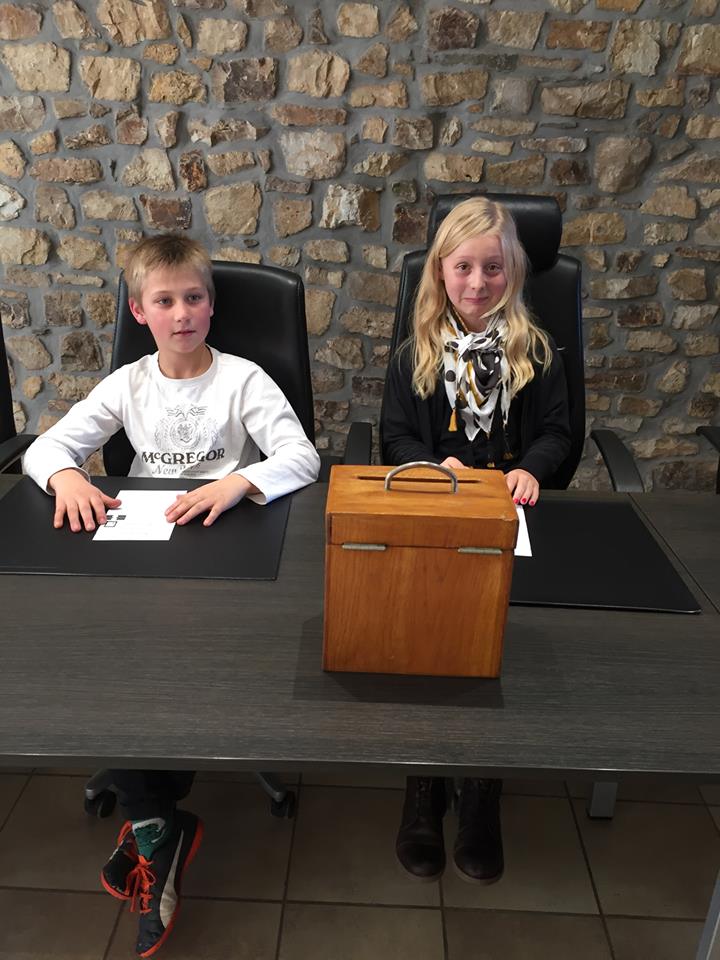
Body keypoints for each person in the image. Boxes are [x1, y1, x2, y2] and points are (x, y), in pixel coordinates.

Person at [23, 234, 320, 956]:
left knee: (156, 667)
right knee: (107, 661)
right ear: (140, 312)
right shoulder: (127, 384)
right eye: (165, 301)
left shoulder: (243, 380)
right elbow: (46, 447)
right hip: (142, 548)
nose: (181, 312)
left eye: (193, 298)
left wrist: (238, 480)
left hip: (223, 548)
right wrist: (66, 476)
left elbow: (302, 456)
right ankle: (160, 821)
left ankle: (153, 820)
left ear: (211, 307)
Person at [381, 197, 571, 884]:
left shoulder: (537, 352)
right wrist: (437, 466)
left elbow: (557, 433)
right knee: (431, 636)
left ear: (513, 270)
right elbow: (394, 438)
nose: (478, 282)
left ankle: (482, 788)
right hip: (440, 510)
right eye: (463, 267)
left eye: (493, 267)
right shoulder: (415, 355)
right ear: (440, 270)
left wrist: (530, 469)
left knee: (499, 647)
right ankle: (425, 783)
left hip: (511, 514)